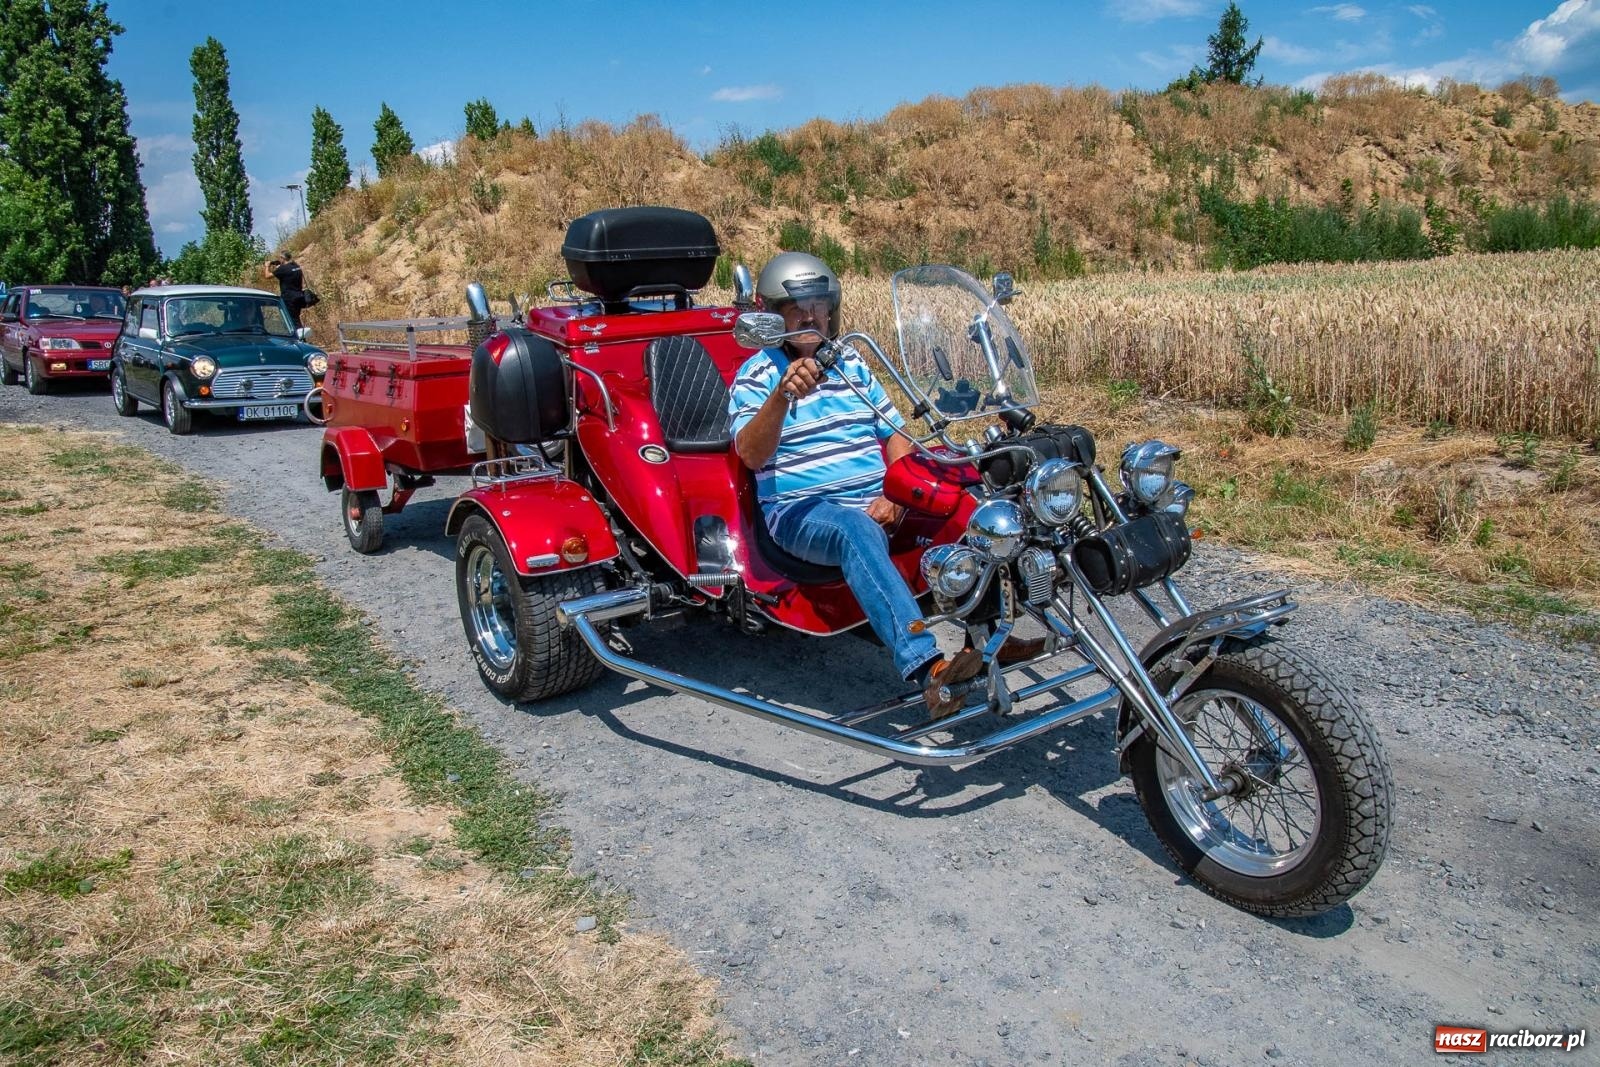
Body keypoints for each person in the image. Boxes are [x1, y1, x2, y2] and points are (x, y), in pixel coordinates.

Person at [728, 253, 1041, 718]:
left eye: (819, 305)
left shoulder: (850, 362)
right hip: (802, 514)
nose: (811, 316)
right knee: (855, 529)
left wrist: (898, 492)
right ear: (775, 317)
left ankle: (993, 630)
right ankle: (928, 668)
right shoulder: (756, 375)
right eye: (797, 308)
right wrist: (782, 396)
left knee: (961, 497)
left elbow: (893, 431)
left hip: (875, 500)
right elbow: (750, 453)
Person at [263, 250, 308, 328]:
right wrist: (279, 268)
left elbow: (267, 276)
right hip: (299, 296)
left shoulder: (283, 269)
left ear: (282, 258)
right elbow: (289, 274)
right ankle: (300, 336)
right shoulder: (296, 266)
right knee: (296, 318)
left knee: (292, 321)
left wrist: (267, 266)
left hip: (289, 298)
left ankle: (300, 338)